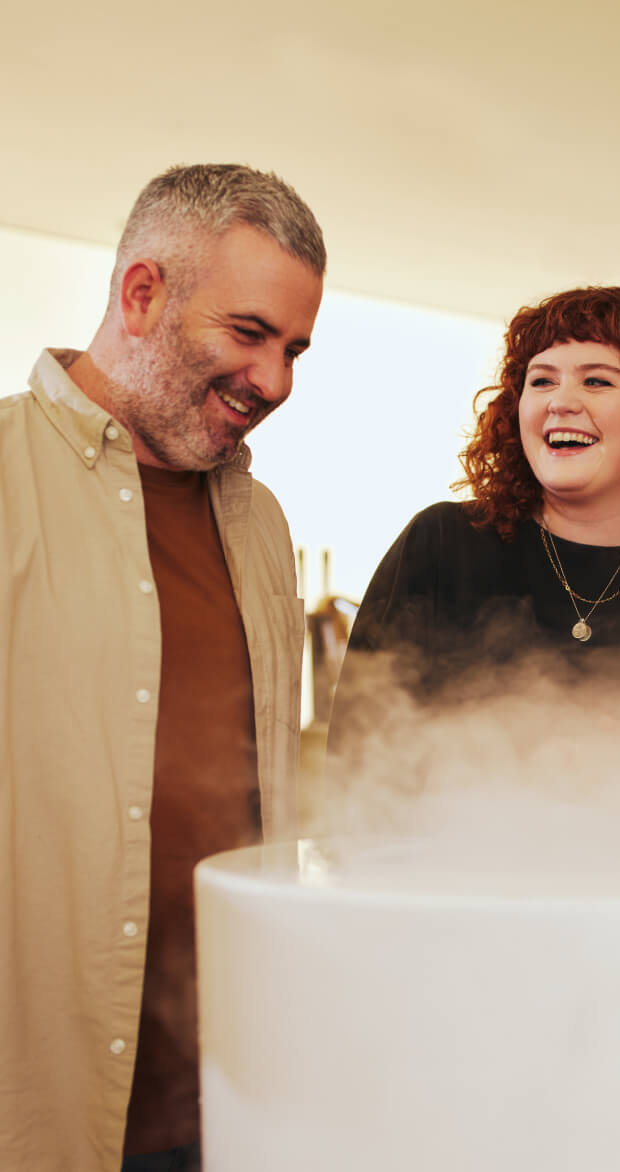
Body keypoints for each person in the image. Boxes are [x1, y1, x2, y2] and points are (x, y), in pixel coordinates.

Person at [0, 164, 325, 1172]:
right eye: (247, 333)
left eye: (294, 349)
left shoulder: (261, 523)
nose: (273, 382)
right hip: (41, 1102)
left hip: (222, 1095)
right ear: (142, 294)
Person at [328, 286, 620, 767]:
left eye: (597, 382)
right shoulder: (441, 545)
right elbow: (356, 758)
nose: (560, 402)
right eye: (542, 381)